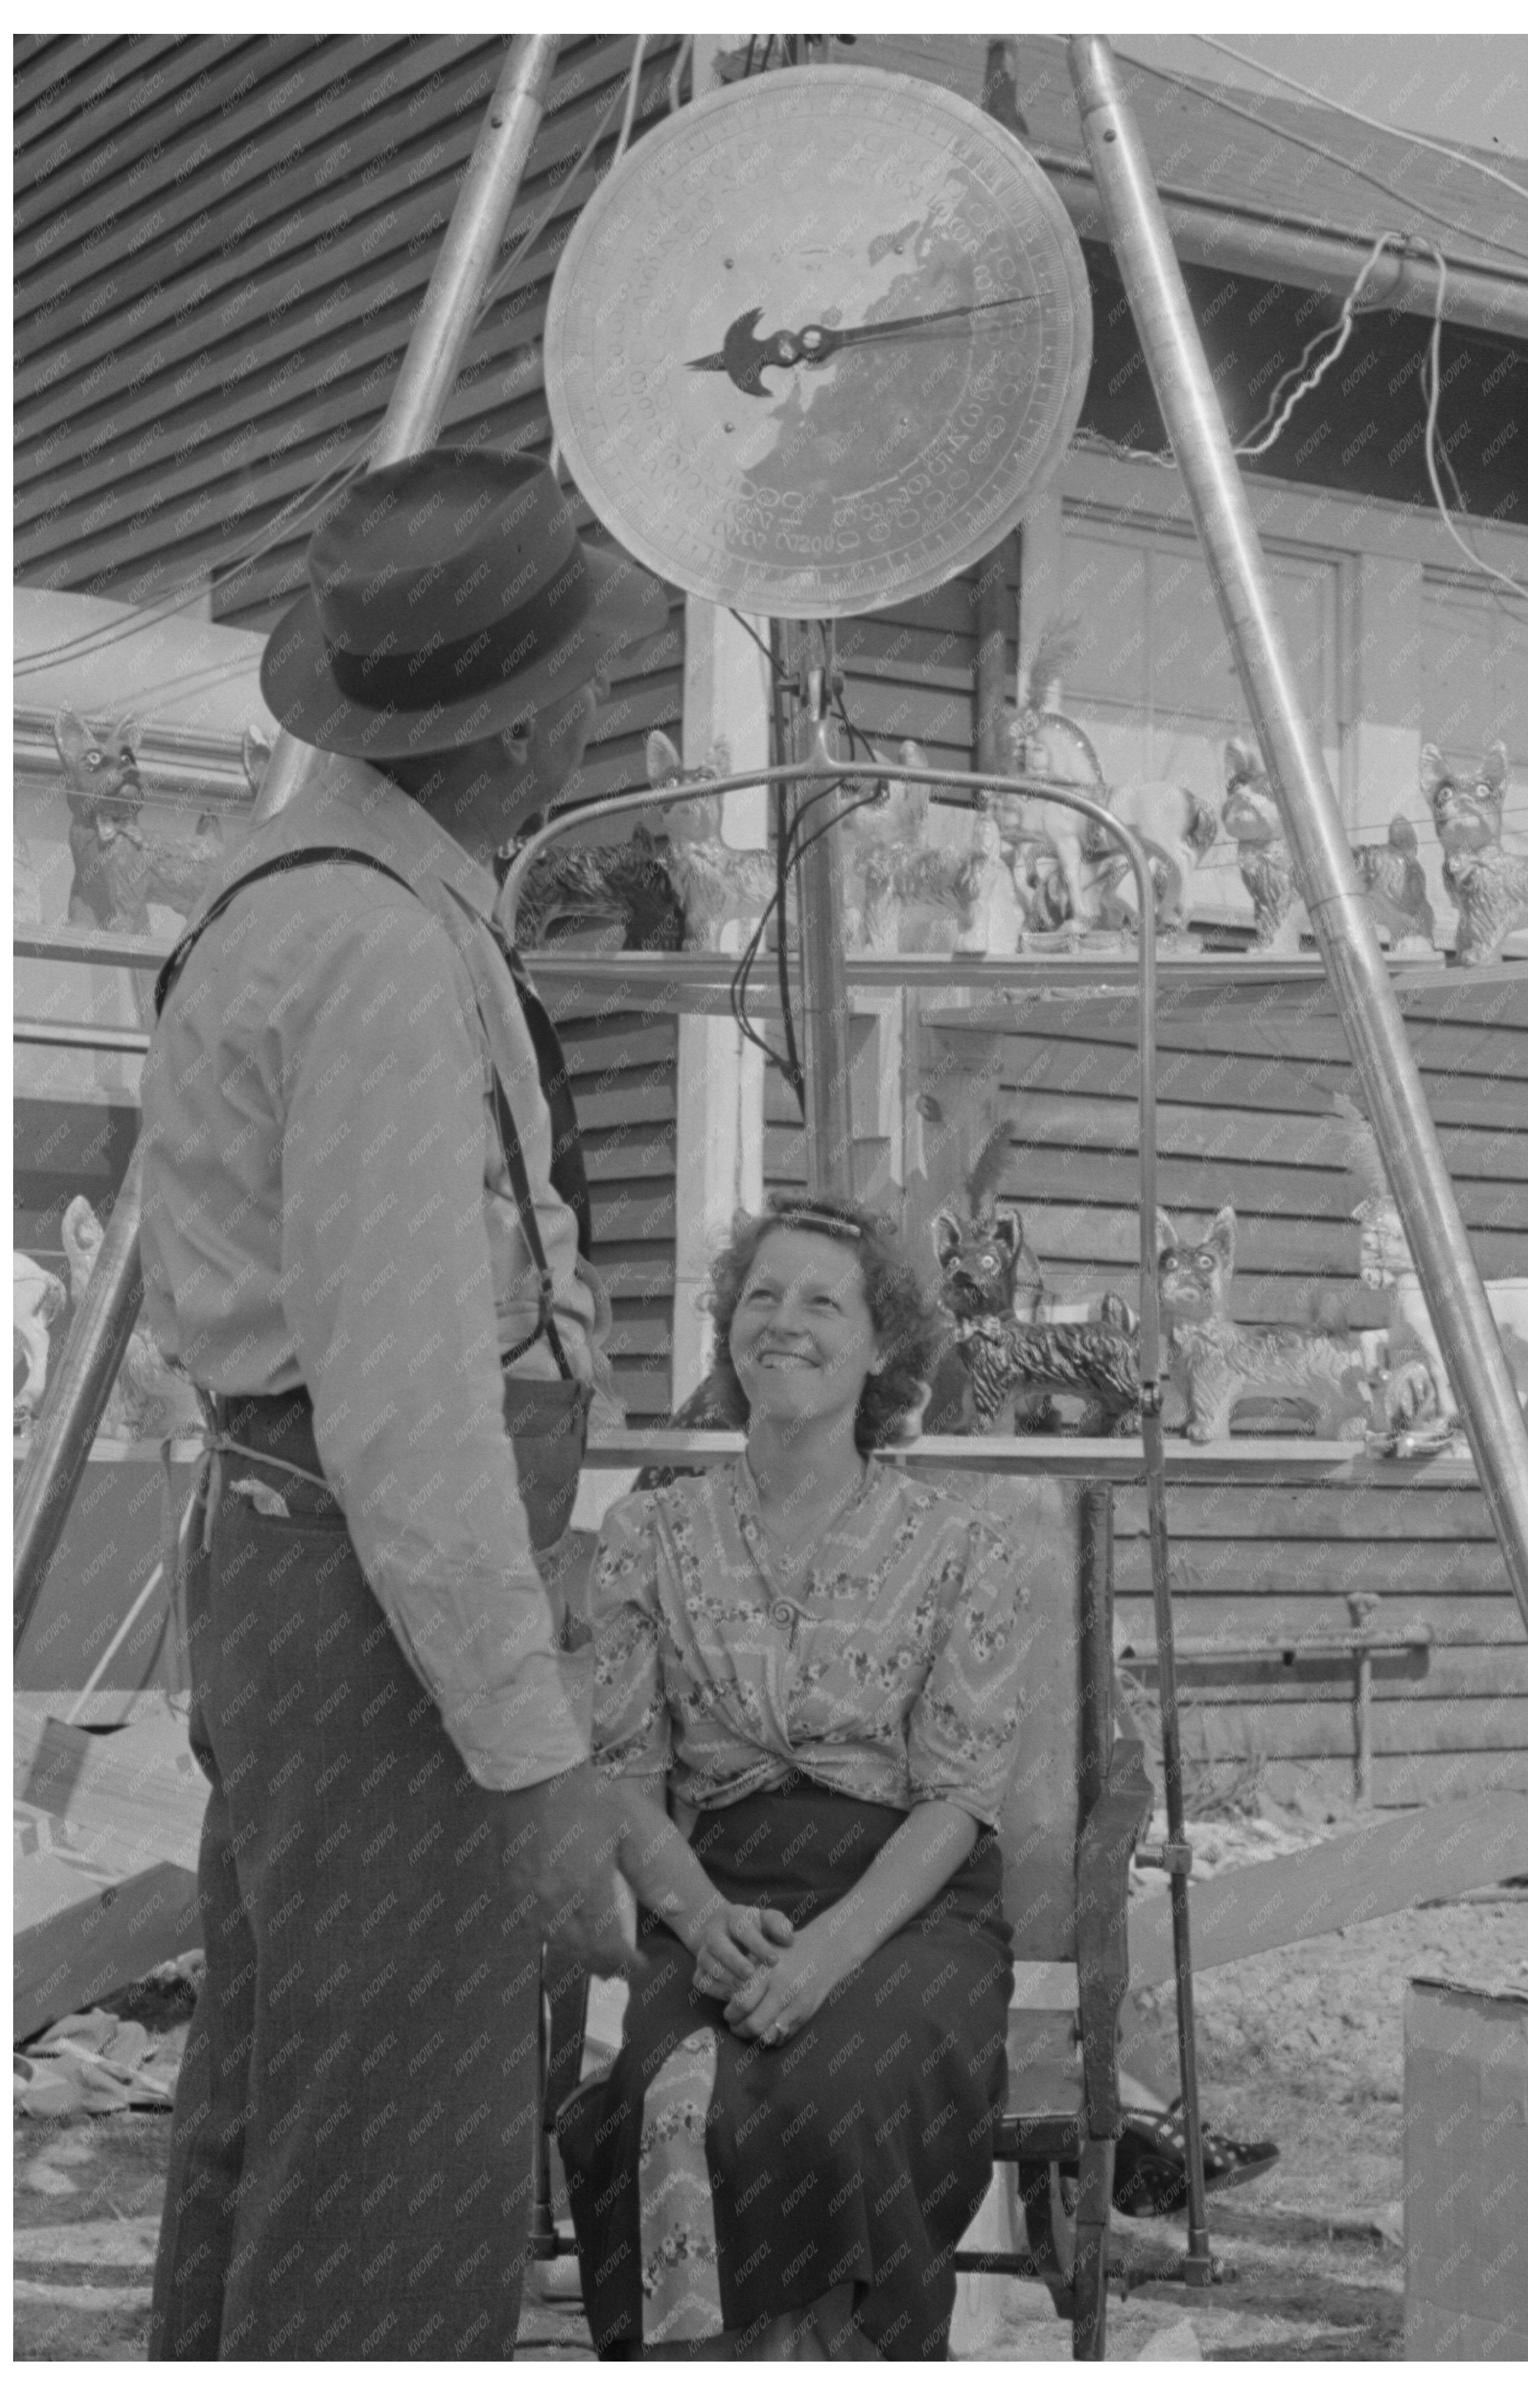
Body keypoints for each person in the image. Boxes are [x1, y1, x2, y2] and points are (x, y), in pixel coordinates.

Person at [141, 447, 670, 2360]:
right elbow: (412, 1419)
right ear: (518, 722)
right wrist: (536, 1767)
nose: (604, 706)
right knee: (402, 2182)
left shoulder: (348, 896)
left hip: (322, 1582)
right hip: (376, 1614)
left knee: (285, 2120)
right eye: (590, 676)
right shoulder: (364, 948)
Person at [558, 1195, 1036, 2362]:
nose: (786, 1322)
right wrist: (702, 1918)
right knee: (672, 2101)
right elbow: (621, 1774)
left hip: (908, 1904)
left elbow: (959, 1798)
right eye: (762, 1296)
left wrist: (830, 1954)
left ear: (882, 1347)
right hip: (722, 1893)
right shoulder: (651, 1536)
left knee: (844, 2089)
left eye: (825, 1301)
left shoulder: (963, 1545)